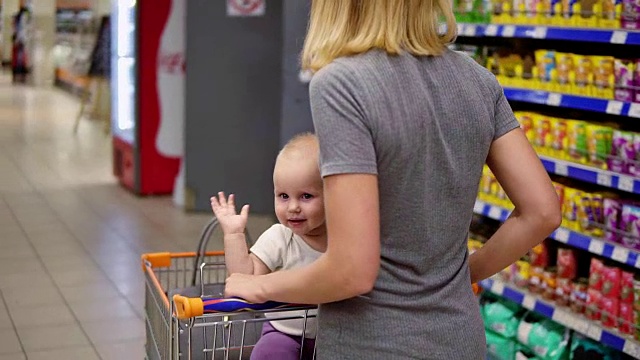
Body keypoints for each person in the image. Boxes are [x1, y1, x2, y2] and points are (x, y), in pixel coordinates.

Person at [224, 1, 562, 359]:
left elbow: (351, 271)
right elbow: (542, 211)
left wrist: (260, 285)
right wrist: (460, 277)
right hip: (460, 337)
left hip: (374, 343)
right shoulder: (477, 78)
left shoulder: (343, 82)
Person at [211, 133, 323, 360]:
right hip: (283, 332)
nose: (292, 207)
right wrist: (233, 234)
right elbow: (244, 278)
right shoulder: (280, 237)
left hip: (335, 334)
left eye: (306, 196)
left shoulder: (345, 239)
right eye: (283, 196)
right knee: (268, 353)